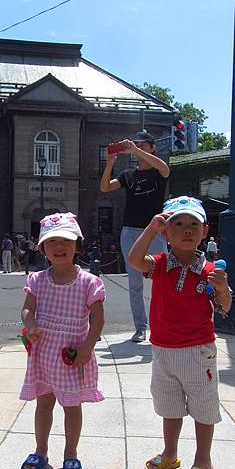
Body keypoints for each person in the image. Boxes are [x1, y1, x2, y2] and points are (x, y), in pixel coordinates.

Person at [128, 196, 232, 469]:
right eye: (178, 224)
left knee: (203, 406)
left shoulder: (210, 270)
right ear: (165, 232)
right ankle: (170, 453)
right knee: (169, 405)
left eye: (193, 224)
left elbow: (224, 307)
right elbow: (135, 261)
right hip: (162, 350)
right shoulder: (159, 264)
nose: (187, 230)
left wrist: (223, 288)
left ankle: (203, 459)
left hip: (198, 351)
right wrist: (150, 229)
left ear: (205, 230)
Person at [19, 212, 105, 469]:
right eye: (51, 241)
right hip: (44, 353)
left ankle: (71, 453)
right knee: (43, 404)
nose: (59, 247)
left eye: (66, 241)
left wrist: (87, 348)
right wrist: (30, 325)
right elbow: (27, 310)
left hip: (72, 354)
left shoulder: (89, 282)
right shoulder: (37, 280)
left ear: (77, 245)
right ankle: (41, 450)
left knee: (72, 406)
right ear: (42, 248)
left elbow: (98, 318)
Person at [100, 131, 169, 342]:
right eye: (135, 144)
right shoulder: (129, 175)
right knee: (135, 282)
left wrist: (135, 149)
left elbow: (165, 169)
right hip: (130, 231)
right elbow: (105, 187)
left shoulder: (158, 171)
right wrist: (110, 162)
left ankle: (165, 324)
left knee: (164, 277)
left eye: (142, 144)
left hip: (155, 230)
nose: (137, 147)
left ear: (152, 147)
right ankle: (140, 327)